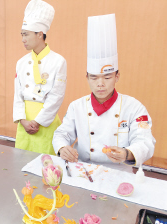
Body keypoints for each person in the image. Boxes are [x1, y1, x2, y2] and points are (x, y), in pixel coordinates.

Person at [53, 14, 155, 172]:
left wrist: (127, 153)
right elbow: (62, 133)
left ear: (117, 76)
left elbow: (145, 141)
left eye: (107, 77)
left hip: (119, 173)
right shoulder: (77, 106)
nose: (100, 84)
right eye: (93, 77)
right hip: (83, 170)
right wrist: (62, 148)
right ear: (87, 78)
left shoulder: (134, 107)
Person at [13, 0, 67, 155]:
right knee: (21, 163)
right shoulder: (21, 63)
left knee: (47, 167)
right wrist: (22, 120)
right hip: (24, 122)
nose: (23, 39)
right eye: (22, 34)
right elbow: (17, 95)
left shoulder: (58, 61)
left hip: (45, 122)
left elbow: (57, 96)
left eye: (26, 34)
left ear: (40, 34)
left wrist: (37, 122)